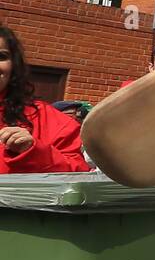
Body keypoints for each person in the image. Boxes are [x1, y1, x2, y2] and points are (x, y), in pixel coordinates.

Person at [0, 26, 90, 174]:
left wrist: (33, 152)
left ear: (14, 65)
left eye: (1, 57)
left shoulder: (46, 118)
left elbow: (77, 176)